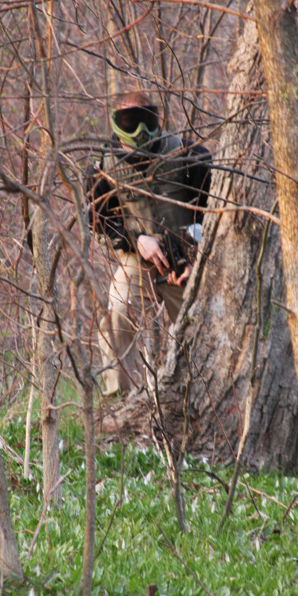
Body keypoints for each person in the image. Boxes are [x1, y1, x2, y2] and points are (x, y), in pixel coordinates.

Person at [86, 91, 211, 396]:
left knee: (199, 329)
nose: (140, 130)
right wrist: (136, 239)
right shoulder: (101, 167)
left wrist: (197, 257)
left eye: (147, 119)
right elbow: (97, 220)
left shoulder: (187, 153)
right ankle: (121, 402)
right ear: (117, 124)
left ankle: (196, 399)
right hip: (136, 260)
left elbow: (216, 211)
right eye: (130, 121)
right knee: (116, 315)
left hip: (186, 262)